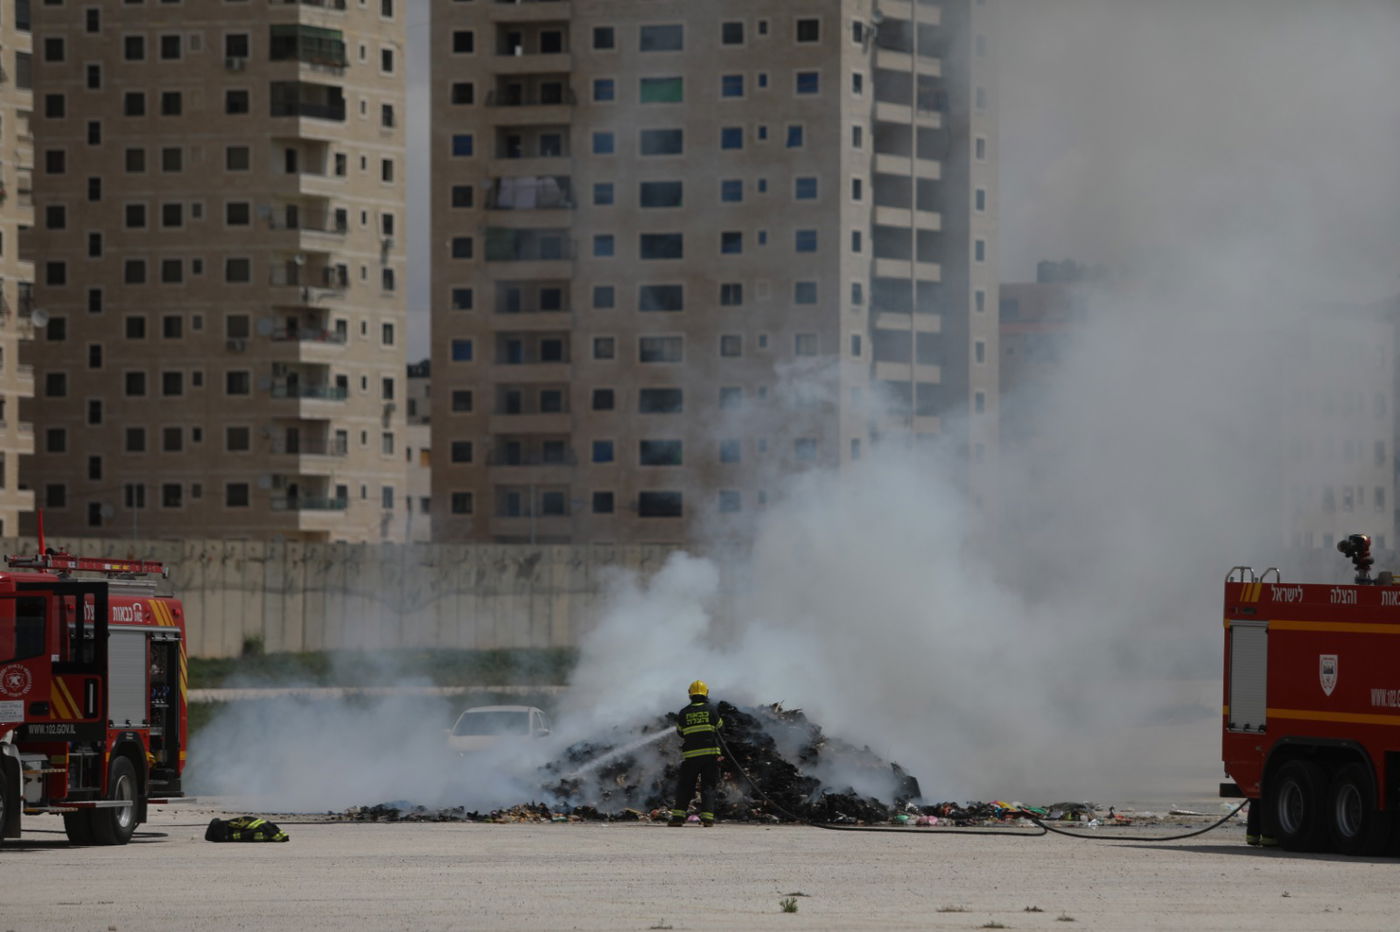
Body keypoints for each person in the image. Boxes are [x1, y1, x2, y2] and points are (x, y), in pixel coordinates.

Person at [668, 680, 723, 827]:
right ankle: (707, 819)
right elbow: (720, 728)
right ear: (706, 693)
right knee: (708, 786)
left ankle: (678, 818)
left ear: (690, 694)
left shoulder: (684, 712)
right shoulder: (711, 710)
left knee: (685, 786)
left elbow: (680, 732)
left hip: (691, 756)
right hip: (710, 755)